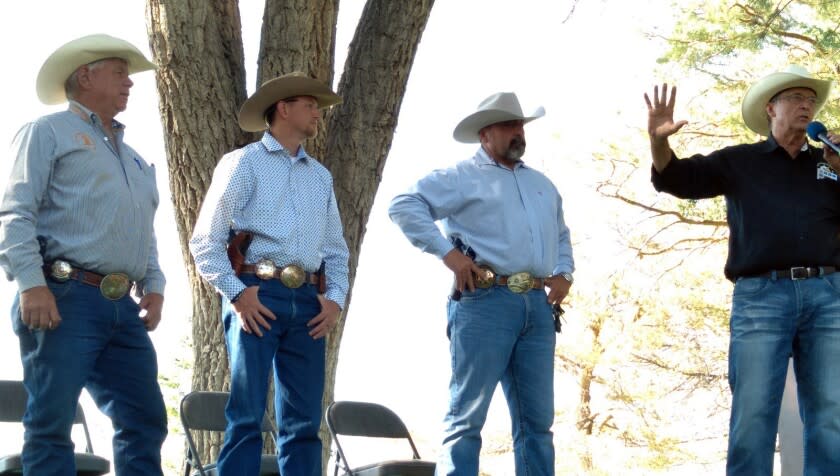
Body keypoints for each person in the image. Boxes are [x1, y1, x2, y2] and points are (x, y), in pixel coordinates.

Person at [644, 65, 840, 474]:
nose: (806, 104)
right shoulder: (740, 161)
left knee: (832, 416)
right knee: (753, 415)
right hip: (761, 298)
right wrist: (658, 143)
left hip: (829, 295)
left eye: (810, 99)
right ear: (771, 108)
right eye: (795, 98)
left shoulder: (828, 163)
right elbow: (677, 179)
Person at [0, 34, 168, 475]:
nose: (129, 83)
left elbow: (140, 228)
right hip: (63, 296)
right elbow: (15, 212)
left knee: (145, 419)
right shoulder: (46, 131)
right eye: (119, 73)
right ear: (85, 76)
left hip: (123, 307)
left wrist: (154, 283)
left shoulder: (134, 159)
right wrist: (31, 284)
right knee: (52, 423)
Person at [389, 92, 574, 476]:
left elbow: (562, 235)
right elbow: (404, 204)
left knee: (538, 424)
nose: (518, 133)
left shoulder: (542, 184)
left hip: (537, 307)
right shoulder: (461, 177)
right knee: (467, 418)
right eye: (509, 126)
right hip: (484, 302)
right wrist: (448, 254)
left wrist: (565, 273)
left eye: (520, 125)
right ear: (485, 134)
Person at [189, 72, 350, 476]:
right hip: (257, 293)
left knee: (304, 425)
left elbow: (335, 250)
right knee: (245, 416)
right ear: (283, 108)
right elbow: (205, 240)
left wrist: (335, 301)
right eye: (310, 105)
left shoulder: (321, 176)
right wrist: (238, 294)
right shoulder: (243, 163)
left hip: (309, 301)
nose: (317, 113)